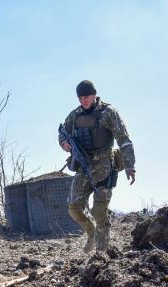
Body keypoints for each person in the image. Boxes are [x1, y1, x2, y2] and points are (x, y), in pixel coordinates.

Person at [59, 80, 136, 253]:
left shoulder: (109, 113)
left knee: (99, 210)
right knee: (74, 208)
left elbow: (124, 141)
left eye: (86, 97)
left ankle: (102, 253)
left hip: (104, 166)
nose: (83, 101)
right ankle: (92, 233)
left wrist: (130, 166)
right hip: (82, 166)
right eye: (80, 98)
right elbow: (62, 134)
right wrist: (64, 143)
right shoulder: (74, 116)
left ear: (94, 94)